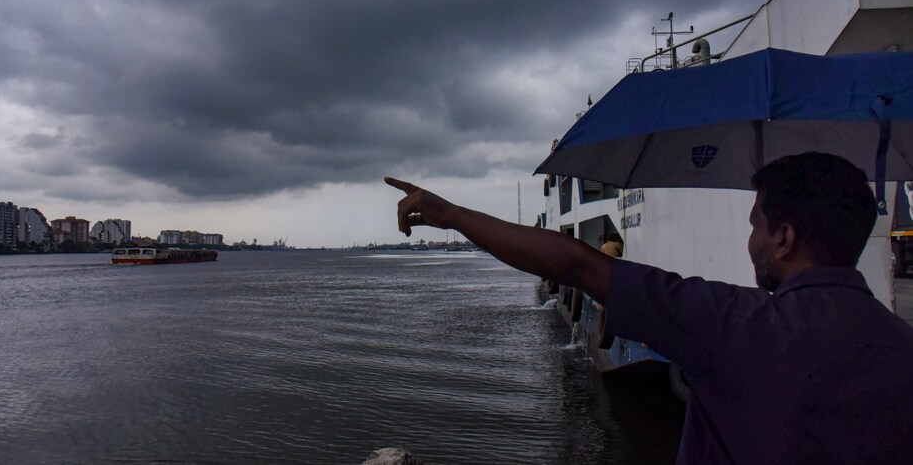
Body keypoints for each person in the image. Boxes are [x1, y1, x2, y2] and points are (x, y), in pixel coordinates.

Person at [385, 151, 913, 464]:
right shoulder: (900, 349)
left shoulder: (737, 325)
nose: (749, 240)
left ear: (785, 238)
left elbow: (578, 266)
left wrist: (450, 213)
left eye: (756, 224)